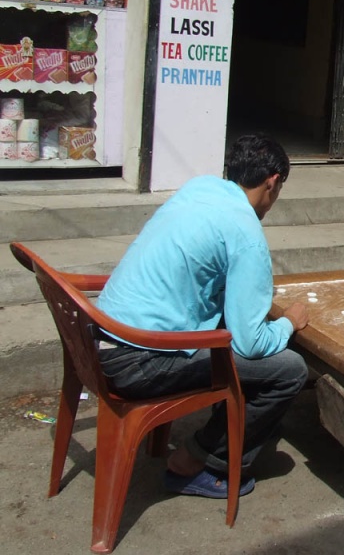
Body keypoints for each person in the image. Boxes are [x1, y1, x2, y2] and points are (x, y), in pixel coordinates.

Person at [96, 133, 309, 498]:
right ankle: (198, 461)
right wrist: (289, 322)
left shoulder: (199, 189)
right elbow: (251, 343)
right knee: (289, 370)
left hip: (101, 338)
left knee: (233, 335)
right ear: (272, 182)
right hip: (138, 361)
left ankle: (244, 427)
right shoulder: (246, 233)